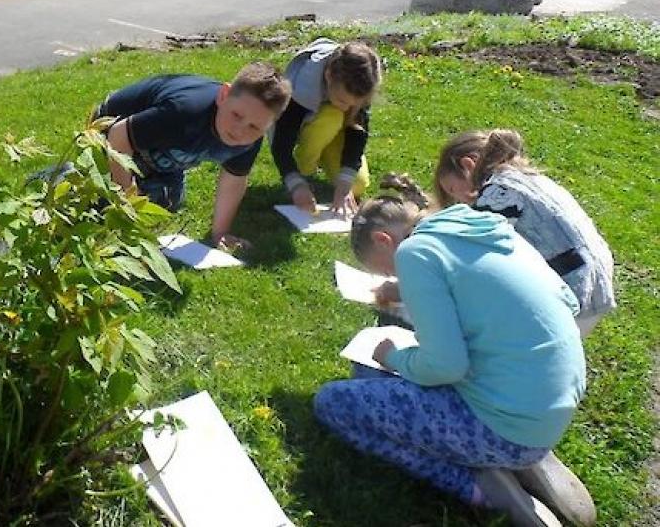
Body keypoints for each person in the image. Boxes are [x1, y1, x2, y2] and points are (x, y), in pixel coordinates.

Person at [314, 179, 594, 527]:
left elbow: (446, 366)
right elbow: (561, 300)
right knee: (367, 375)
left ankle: (479, 484)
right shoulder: (479, 226)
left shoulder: (414, 253)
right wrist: (406, 288)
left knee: (334, 401)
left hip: (505, 423)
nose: (394, 273)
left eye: (387, 269)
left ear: (383, 240)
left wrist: (393, 358)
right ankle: (523, 459)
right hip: (550, 401)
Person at [431, 128, 615, 336]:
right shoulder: (529, 179)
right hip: (595, 279)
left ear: (468, 165)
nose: (462, 201)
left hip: (571, 288)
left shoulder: (497, 194)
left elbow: (474, 254)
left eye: (454, 190)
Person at [95, 62, 291, 250]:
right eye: (236, 115)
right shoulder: (185, 110)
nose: (240, 130)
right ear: (224, 95)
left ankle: (150, 180)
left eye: (254, 127)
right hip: (108, 136)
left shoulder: (250, 139)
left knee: (167, 204)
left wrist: (220, 232)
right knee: (97, 209)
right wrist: (126, 205)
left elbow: (235, 178)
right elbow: (119, 137)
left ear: (268, 126)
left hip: (162, 156)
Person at [270, 38, 382, 217]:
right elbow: (280, 143)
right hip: (309, 129)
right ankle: (304, 170)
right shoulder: (300, 87)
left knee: (357, 185)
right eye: (342, 100)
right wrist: (295, 182)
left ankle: (325, 156)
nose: (346, 109)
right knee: (333, 116)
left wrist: (345, 183)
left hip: (335, 132)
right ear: (328, 75)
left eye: (352, 105)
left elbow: (358, 134)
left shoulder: (362, 83)